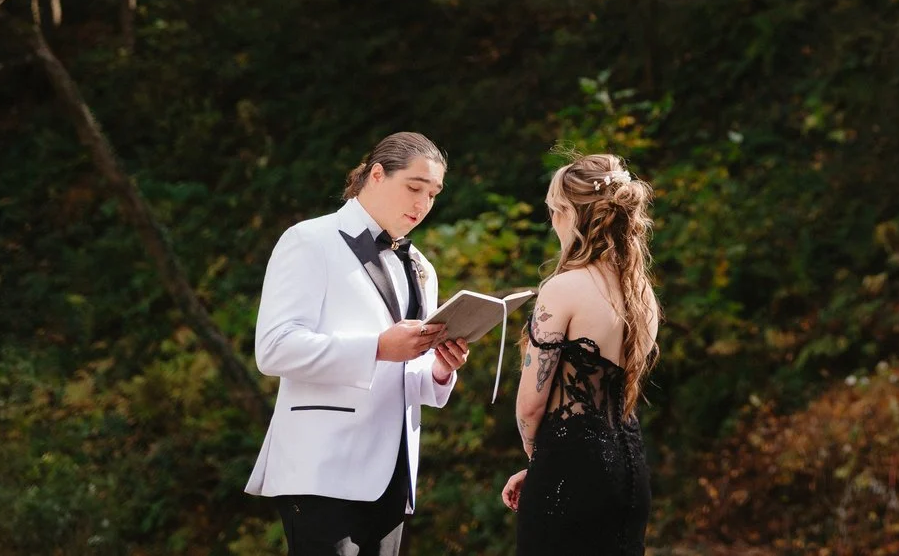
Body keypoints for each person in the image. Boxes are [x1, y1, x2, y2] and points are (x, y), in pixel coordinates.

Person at [247, 131, 472, 556]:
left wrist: (440, 369)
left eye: (433, 194)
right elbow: (274, 348)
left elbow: (411, 375)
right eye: (414, 188)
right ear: (376, 175)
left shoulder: (422, 266)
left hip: (394, 474)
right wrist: (377, 347)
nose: (422, 204)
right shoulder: (309, 240)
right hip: (320, 469)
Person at [500, 152, 659, 556]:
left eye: (556, 210)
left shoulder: (564, 288)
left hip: (571, 474)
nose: (553, 222)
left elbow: (530, 408)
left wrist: (542, 465)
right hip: (630, 472)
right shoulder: (642, 293)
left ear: (574, 215)